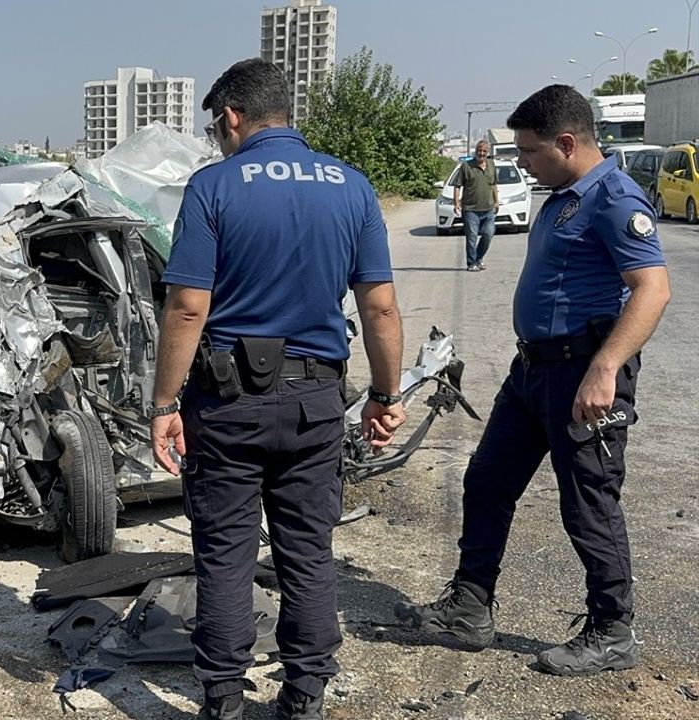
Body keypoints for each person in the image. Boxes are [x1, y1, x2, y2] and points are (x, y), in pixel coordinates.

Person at [149, 58, 407, 720]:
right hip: (315, 404)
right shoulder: (352, 186)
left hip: (227, 404)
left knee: (226, 556)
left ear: (233, 116)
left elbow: (187, 308)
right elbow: (379, 307)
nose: (218, 139)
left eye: (217, 126)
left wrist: (164, 404)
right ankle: (304, 696)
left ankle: (223, 702)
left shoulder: (213, 187)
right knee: (308, 553)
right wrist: (385, 395)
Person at [395, 84, 670, 677]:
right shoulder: (566, 196)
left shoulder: (615, 200)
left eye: (528, 151)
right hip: (532, 372)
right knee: (487, 480)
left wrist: (604, 369)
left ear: (566, 143)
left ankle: (613, 631)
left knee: (588, 502)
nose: (521, 163)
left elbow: (652, 289)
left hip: (583, 374)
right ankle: (471, 607)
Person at [453, 140, 500, 271]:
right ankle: (471, 263)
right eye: (479, 150)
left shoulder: (491, 165)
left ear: (487, 152)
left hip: (488, 209)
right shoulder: (466, 166)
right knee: (472, 237)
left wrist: (496, 202)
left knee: (488, 234)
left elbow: (493, 185)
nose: (481, 153)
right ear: (476, 151)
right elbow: (457, 186)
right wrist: (456, 203)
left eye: (484, 151)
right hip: (470, 210)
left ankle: (478, 258)